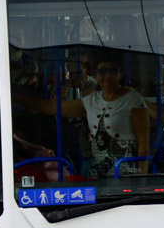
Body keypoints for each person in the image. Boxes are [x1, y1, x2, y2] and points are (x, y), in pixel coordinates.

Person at [21, 59, 150, 179]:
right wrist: (19, 98)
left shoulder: (133, 99)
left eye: (112, 72)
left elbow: (143, 142)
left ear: (120, 74)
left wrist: (142, 176)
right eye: (102, 72)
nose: (107, 76)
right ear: (95, 76)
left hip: (126, 171)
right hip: (98, 172)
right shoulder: (92, 101)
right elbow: (54, 108)